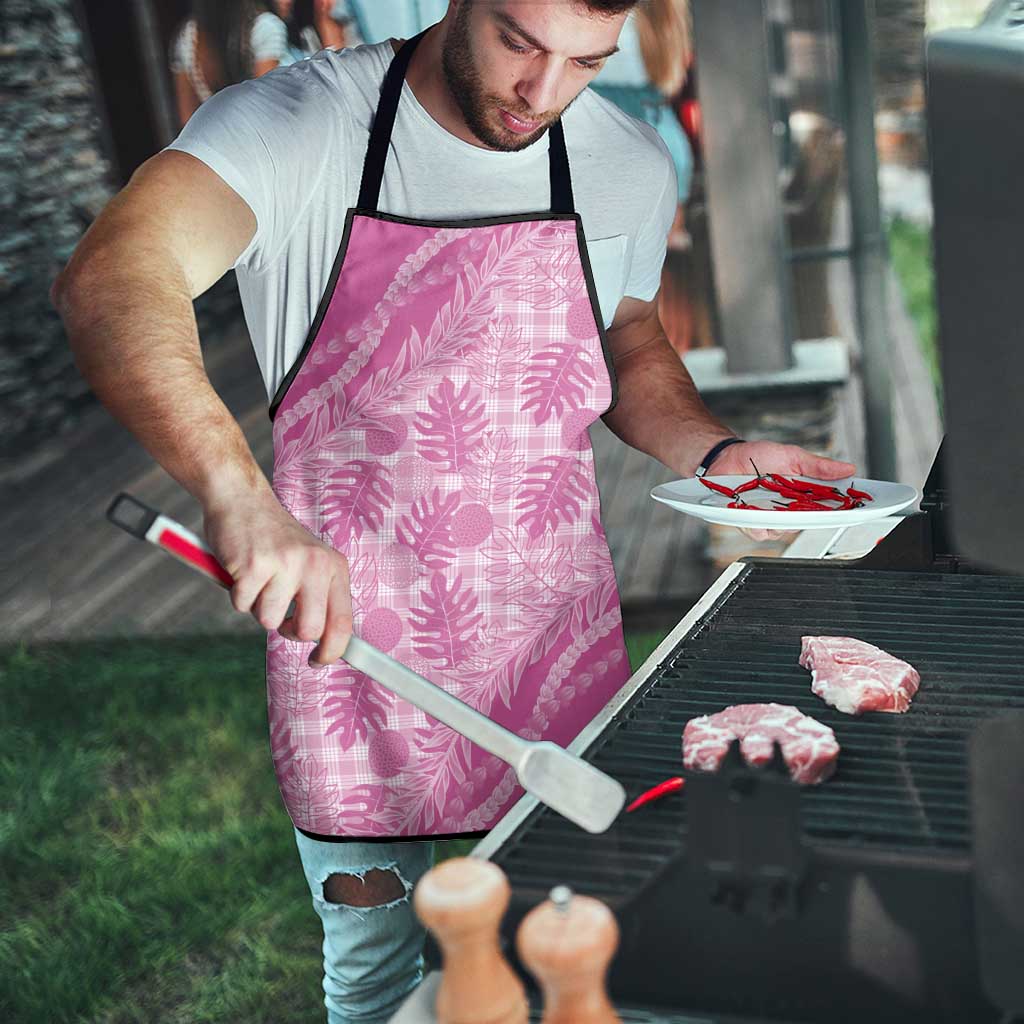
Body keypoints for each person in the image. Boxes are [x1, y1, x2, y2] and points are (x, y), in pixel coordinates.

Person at [52, 2, 856, 1020]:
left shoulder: (624, 159)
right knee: (380, 978)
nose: (543, 93)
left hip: (554, 644)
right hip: (352, 661)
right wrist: (236, 494)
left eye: (585, 62)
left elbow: (629, 338)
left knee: (576, 953)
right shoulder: (298, 125)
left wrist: (718, 449)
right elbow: (113, 275)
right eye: (520, 43)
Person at [169, 0, 289, 127]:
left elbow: (187, 120)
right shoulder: (266, 27)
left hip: (215, 140)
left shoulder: (188, 37)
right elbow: (266, 107)